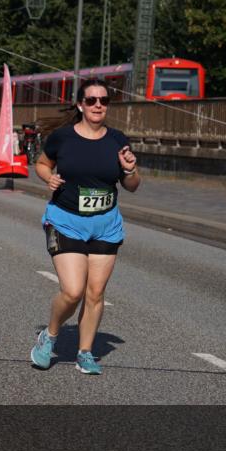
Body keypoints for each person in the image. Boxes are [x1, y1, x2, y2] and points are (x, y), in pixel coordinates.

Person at [29, 79, 139, 376]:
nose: (98, 105)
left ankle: (85, 352)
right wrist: (47, 178)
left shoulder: (118, 140)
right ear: (80, 105)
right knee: (73, 290)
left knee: (95, 293)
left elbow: (132, 186)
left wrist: (129, 169)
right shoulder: (62, 138)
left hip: (106, 225)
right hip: (66, 221)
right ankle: (49, 336)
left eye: (103, 100)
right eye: (91, 100)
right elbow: (42, 163)